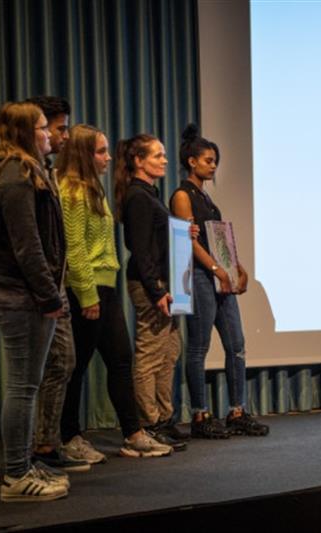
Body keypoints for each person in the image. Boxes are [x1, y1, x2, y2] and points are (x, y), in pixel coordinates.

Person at [56, 124, 174, 460]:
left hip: (105, 287)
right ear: (82, 153)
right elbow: (75, 247)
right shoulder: (73, 191)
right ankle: (69, 437)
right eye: (100, 151)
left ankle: (133, 434)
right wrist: (88, 294)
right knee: (76, 366)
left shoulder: (92, 189)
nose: (109, 157)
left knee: (121, 359)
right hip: (87, 289)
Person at [0, 101, 69, 501]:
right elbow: (26, 246)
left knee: (25, 384)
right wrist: (49, 296)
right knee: (23, 386)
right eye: (43, 128)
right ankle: (15, 477)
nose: (50, 134)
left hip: (23, 293)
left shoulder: (23, 169)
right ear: (24, 132)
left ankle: (23, 466)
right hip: (20, 295)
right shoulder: (14, 174)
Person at [170, 125, 269, 438]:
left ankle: (237, 410)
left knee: (236, 345)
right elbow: (188, 242)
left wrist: (237, 268)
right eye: (208, 160)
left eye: (215, 161)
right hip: (199, 277)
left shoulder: (208, 200)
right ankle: (200, 415)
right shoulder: (182, 196)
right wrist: (216, 268)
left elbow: (219, 241)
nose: (213, 165)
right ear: (191, 161)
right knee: (198, 348)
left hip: (220, 278)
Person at [24, 96, 90, 472]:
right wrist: (50, 291)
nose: (64, 135)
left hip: (55, 282)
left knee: (62, 363)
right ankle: (31, 454)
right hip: (40, 287)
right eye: (59, 128)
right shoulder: (22, 172)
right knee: (31, 375)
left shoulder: (44, 169)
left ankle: (47, 445)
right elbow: (28, 242)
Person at [114, 134, 188, 450]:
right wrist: (156, 289)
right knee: (149, 353)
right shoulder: (138, 197)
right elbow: (140, 250)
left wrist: (182, 232)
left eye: (163, 154)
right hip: (150, 285)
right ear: (138, 161)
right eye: (157, 155)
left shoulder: (149, 194)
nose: (165, 160)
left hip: (165, 282)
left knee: (169, 351)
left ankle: (163, 418)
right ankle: (148, 422)